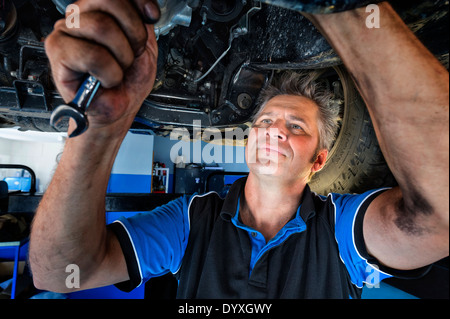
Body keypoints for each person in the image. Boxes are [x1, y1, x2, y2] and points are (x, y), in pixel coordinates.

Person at [29, 0, 449, 299]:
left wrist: (343, 8)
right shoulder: (190, 221)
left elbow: (440, 220)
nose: (273, 131)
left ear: (319, 160)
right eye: (264, 121)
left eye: (296, 126)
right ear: (248, 140)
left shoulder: (339, 228)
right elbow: (61, 274)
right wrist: (97, 129)